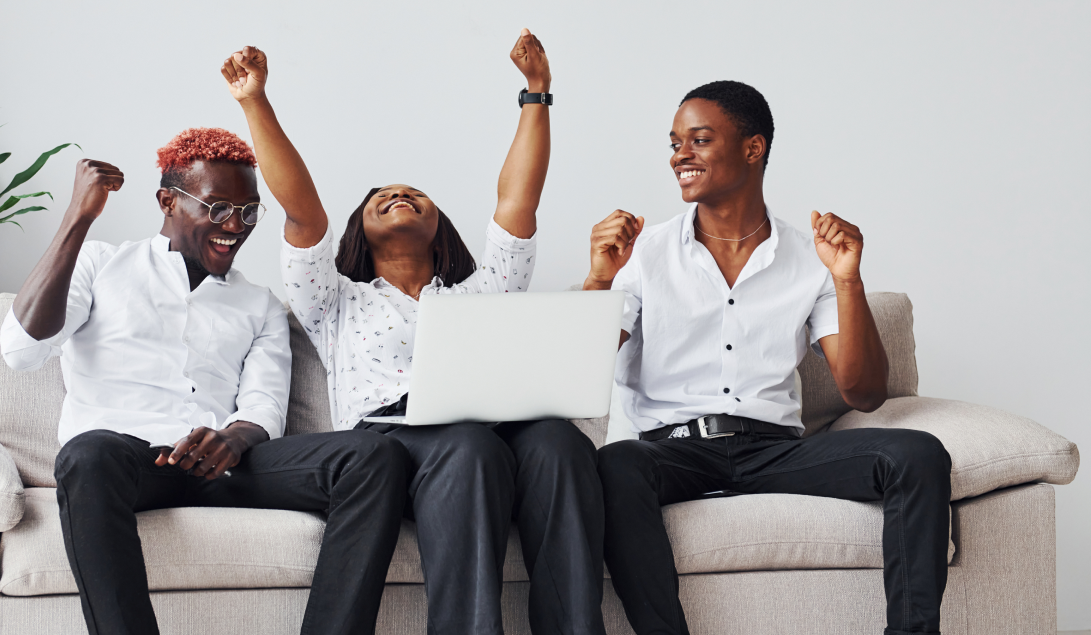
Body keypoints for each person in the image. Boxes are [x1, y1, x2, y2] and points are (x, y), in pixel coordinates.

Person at [222, 30, 606, 635]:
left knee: (562, 442)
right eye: (382, 197)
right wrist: (255, 102)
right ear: (357, 230)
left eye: (414, 195)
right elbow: (302, 212)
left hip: (489, 438)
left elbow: (518, 199)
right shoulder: (333, 300)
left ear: (439, 226)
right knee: (469, 448)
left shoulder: (483, 292)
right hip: (392, 453)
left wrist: (537, 93)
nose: (399, 194)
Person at [0, 129, 410, 635]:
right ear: (167, 202)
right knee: (86, 455)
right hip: (129, 464)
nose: (234, 226)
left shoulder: (258, 303)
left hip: (225, 465)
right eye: (217, 208)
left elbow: (263, 406)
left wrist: (233, 440)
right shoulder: (100, 265)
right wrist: (77, 219)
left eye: (249, 211)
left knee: (374, 455)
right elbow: (21, 350)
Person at [585, 81, 951, 635]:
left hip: (774, 451)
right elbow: (579, 374)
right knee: (615, 464)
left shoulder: (811, 259)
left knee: (917, 453)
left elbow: (865, 393)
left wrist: (847, 278)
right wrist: (599, 278)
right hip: (672, 453)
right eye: (675, 143)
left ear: (753, 149)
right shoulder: (644, 254)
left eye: (699, 140)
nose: (679, 155)